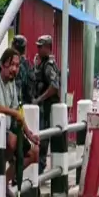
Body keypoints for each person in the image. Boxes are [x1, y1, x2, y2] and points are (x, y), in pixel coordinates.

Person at [0, 48, 40, 197]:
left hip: (4, 132)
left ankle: (2, 182)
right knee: (12, 141)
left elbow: (17, 112)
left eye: (17, 66)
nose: (14, 69)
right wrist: (13, 113)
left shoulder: (11, 84)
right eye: (11, 64)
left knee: (34, 153)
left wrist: (29, 134)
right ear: (2, 64)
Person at [33, 35, 60, 175]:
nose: (38, 49)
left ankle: (39, 171)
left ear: (48, 48)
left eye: (40, 47)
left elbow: (54, 86)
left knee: (42, 141)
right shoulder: (41, 63)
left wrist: (39, 99)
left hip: (46, 108)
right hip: (41, 109)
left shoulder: (48, 65)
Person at [12, 35, 35, 106]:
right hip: (28, 103)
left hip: (18, 103)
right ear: (25, 49)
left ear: (13, 47)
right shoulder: (27, 64)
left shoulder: (14, 64)